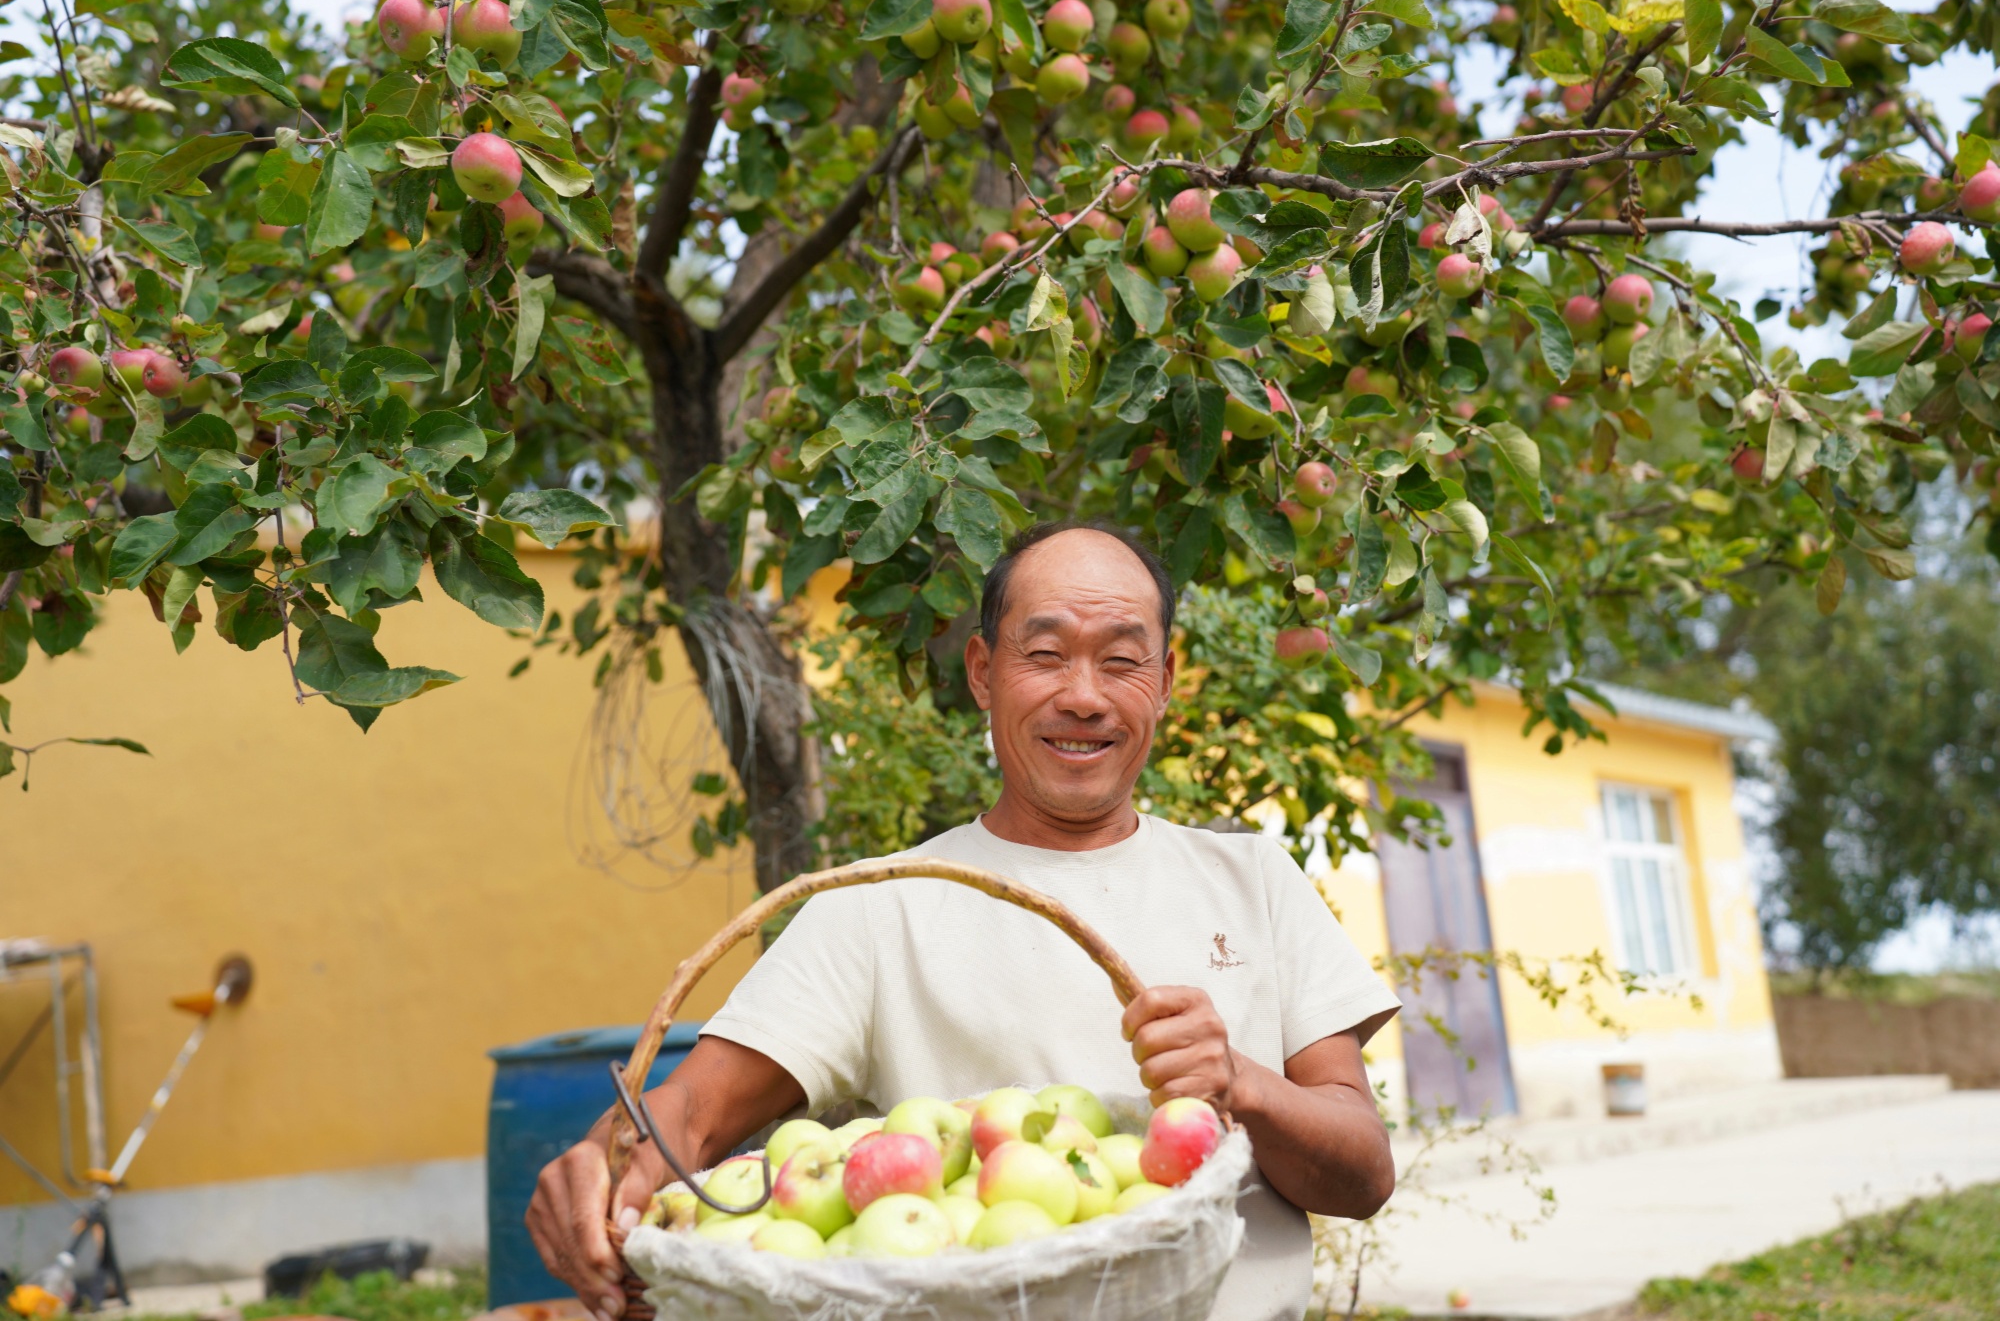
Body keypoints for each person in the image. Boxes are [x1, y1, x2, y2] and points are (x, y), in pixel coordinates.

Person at [527, 522, 1402, 1320]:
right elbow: (690, 1111)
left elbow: (1362, 1171)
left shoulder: (1251, 878)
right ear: (984, 671)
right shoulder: (881, 905)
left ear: (1165, 681)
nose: (1085, 695)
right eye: (1047, 653)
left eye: (1123, 660)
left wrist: (1240, 1084)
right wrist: (605, 1160)